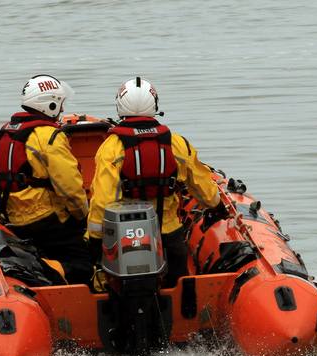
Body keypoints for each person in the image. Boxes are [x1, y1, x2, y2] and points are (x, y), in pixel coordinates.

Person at [87, 77, 227, 287]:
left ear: (120, 106)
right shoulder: (176, 142)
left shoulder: (111, 148)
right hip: (169, 233)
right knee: (178, 287)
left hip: (128, 237)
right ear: (155, 105)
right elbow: (201, 184)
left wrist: (96, 239)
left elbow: (103, 200)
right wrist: (218, 207)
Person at [0, 74, 91, 284]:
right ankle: (45, 269)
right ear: (51, 104)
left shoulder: (7, 131)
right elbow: (70, 187)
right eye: (60, 104)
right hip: (45, 219)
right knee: (85, 264)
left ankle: (35, 261)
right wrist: (84, 217)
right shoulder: (50, 136)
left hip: (12, 216)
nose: (62, 110)